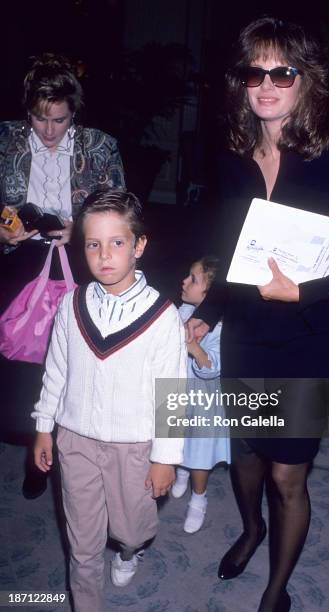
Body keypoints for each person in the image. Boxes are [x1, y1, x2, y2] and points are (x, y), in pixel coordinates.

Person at [187, 17, 329, 612]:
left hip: (309, 335)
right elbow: (231, 244)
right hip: (248, 332)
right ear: (241, 82)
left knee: (286, 474)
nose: (267, 84)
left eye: (283, 71)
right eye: (256, 71)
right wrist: (212, 309)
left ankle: (277, 591)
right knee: (247, 455)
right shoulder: (232, 155)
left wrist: (305, 293)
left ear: (306, 79)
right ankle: (252, 530)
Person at [32, 189, 186, 611]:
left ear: (139, 246)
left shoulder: (162, 316)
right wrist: (44, 426)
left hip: (133, 445)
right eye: (93, 244)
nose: (104, 255)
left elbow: (172, 391)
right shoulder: (71, 304)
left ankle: (130, 550)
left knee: (132, 528)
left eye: (117, 243)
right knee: (82, 543)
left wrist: (165, 457)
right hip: (76, 438)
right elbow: (57, 370)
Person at [0, 53, 125, 498]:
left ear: (74, 111)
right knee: (23, 360)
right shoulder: (5, 141)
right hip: (21, 261)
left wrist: (83, 230)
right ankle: (36, 451)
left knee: (76, 361)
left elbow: (122, 211)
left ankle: (73, 454)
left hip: (81, 262)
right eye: (39, 118)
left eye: (59, 119)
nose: (49, 131)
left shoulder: (100, 145)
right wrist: (5, 233)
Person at [172, 256, 230, 533]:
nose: (184, 281)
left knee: (199, 453)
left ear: (211, 294)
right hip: (177, 391)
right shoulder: (181, 310)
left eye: (193, 280)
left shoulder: (220, 328)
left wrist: (193, 346)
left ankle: (199, 496)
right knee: (175, 439)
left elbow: (212, 368)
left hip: (204, 400)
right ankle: (181, 470)